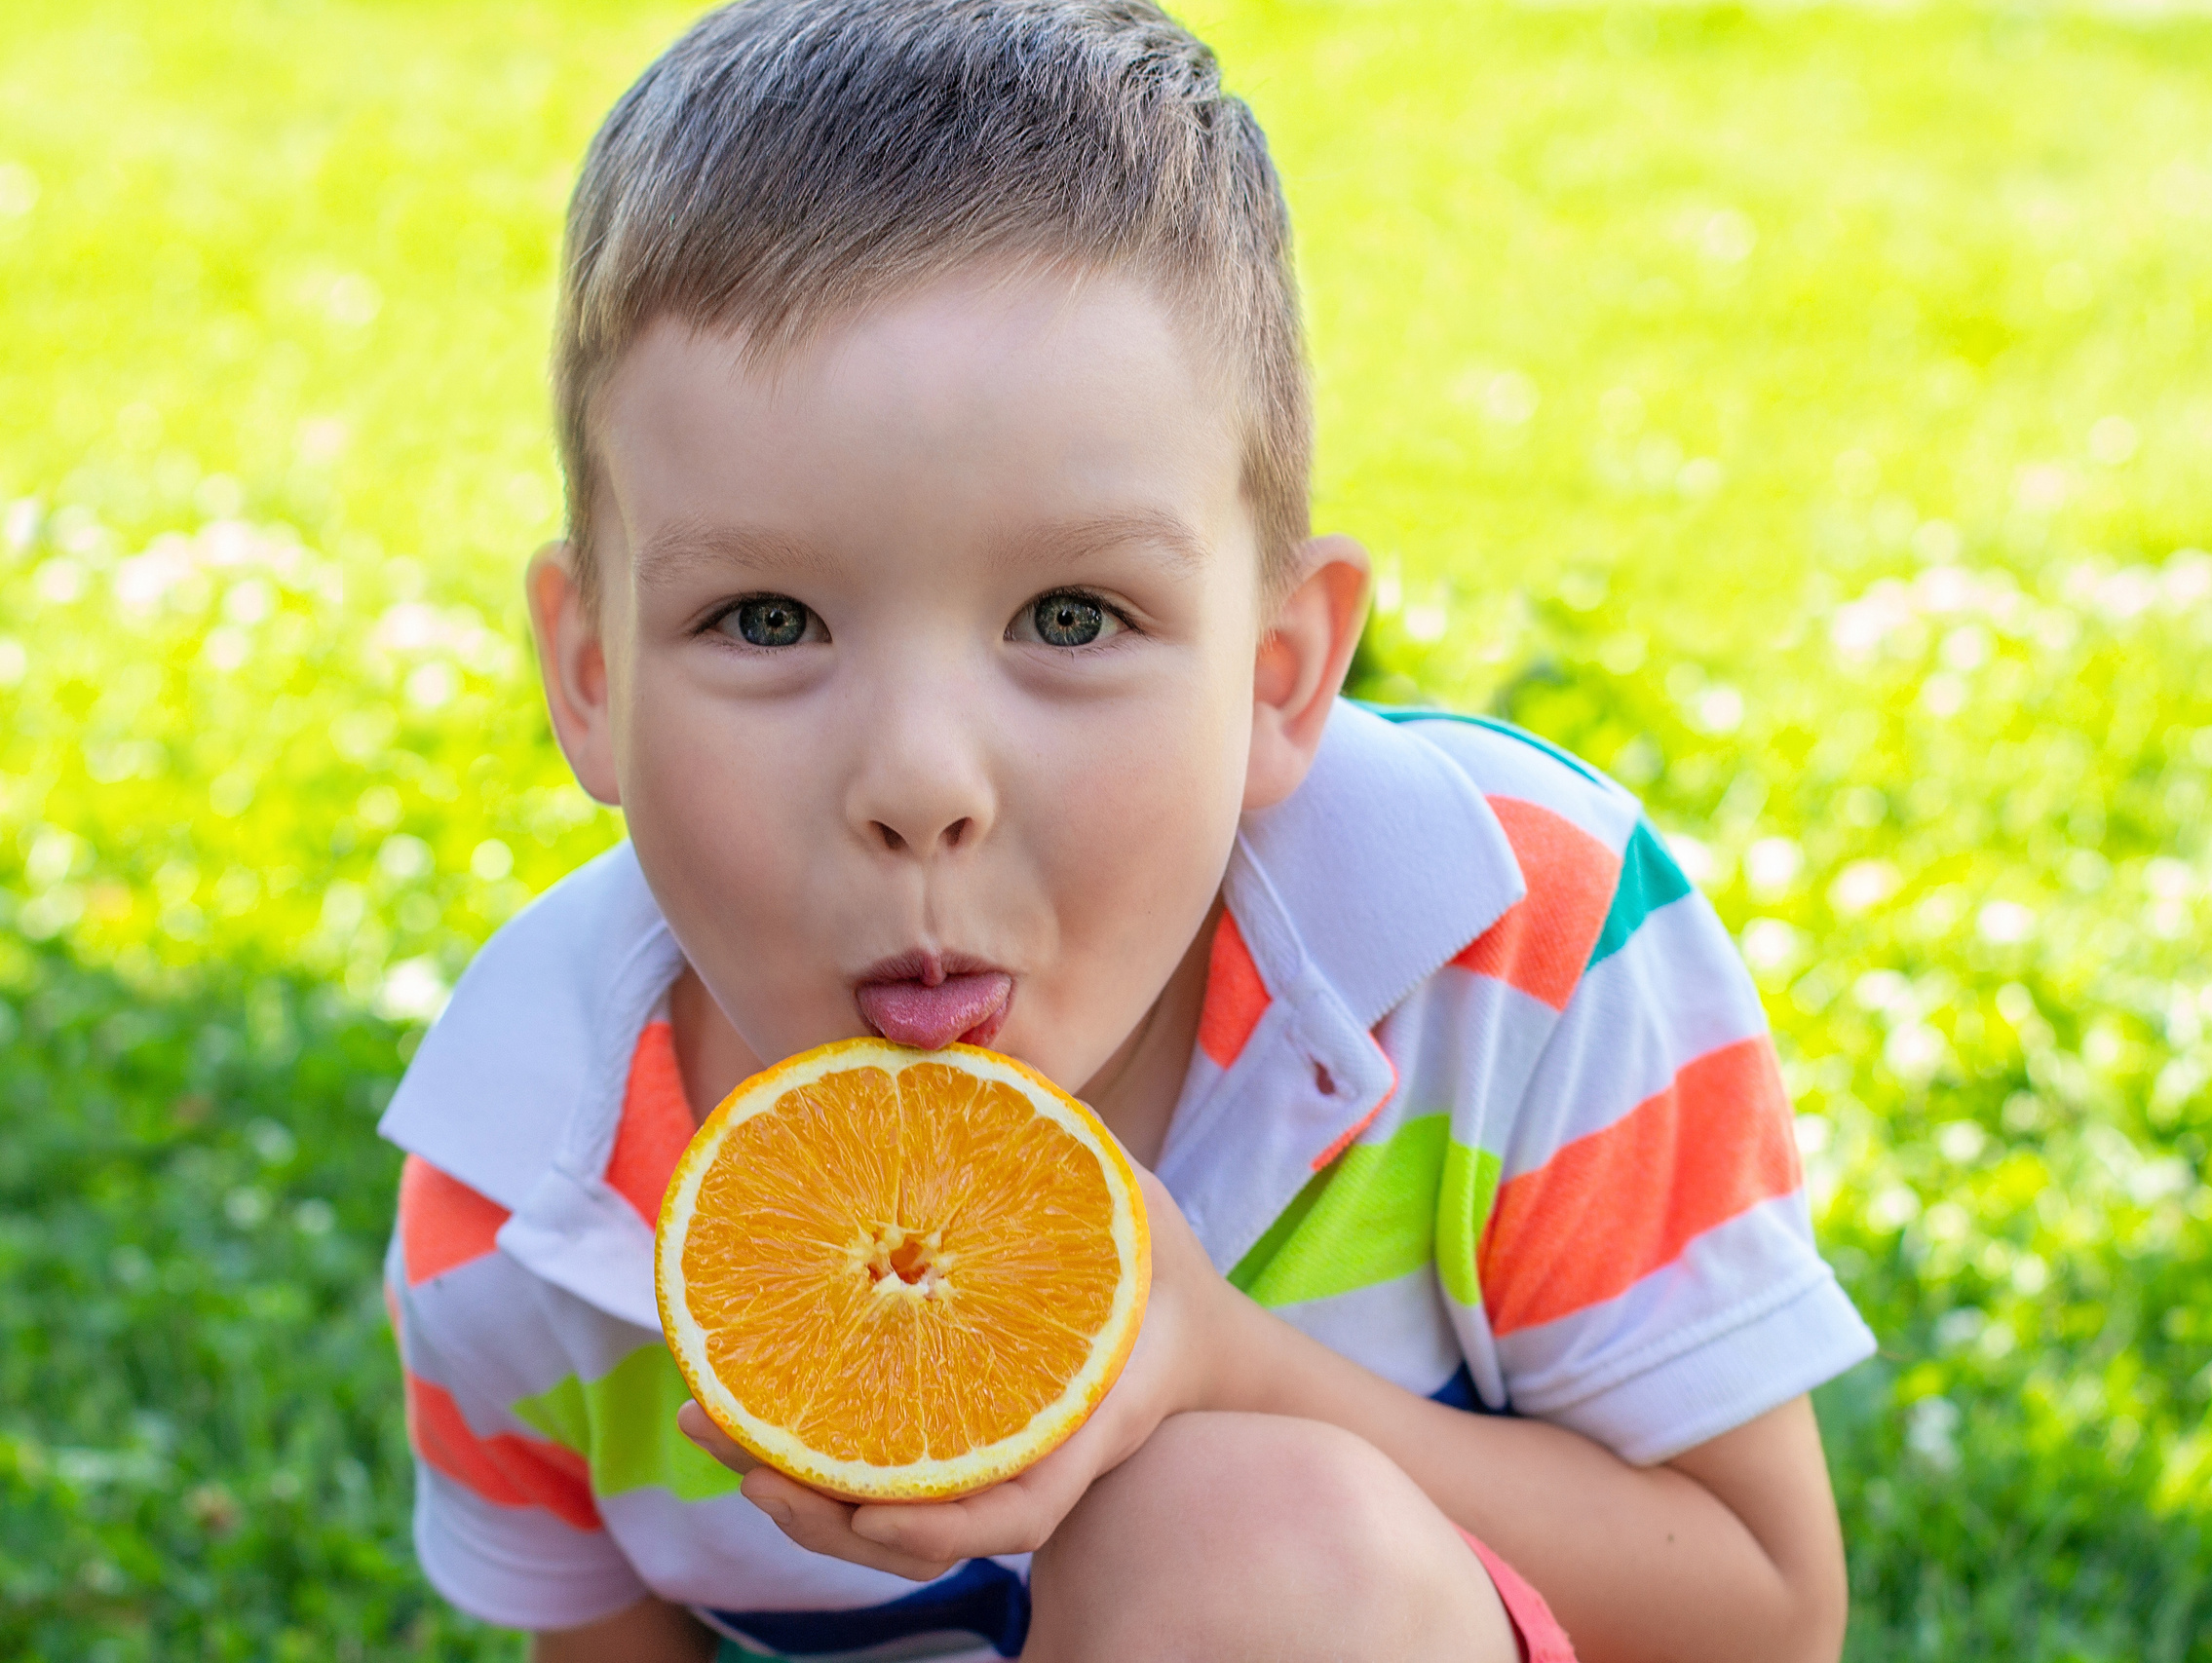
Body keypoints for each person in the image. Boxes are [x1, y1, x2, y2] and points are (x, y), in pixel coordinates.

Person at [378, 2, 1877, 1658]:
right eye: (769, 620)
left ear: (1279, 672)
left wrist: (1223, 1365)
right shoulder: (523, 1183)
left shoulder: (1513, 933)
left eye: (1074, 616)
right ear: (590, 678)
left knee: (1251, 1544)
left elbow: (1765, 1613)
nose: (923, 781)